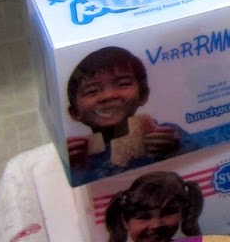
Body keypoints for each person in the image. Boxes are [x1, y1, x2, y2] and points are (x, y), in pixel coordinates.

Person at [66, 46, 182, 174]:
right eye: (92, 91)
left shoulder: (169, 134)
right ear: (75, 112)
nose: (108, 96)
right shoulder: (76, 153)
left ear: (143, 95)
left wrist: (175, 149)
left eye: (123, 84)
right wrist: (71, 166)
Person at [102, 170, 204, 242]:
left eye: (167, 213)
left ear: (182, 213)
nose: (156, 224)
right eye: (144, 216)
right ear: (125, 221)